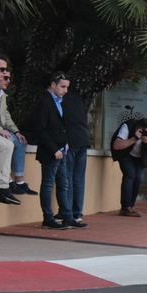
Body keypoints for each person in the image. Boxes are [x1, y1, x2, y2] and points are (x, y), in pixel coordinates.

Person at [34, 71, 86, 229]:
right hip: (51, 152)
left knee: (64, 184)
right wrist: (53, 149)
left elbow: (61, 126)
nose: (65, 90)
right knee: (48, 184)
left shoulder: (58, 102)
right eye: (62, 87)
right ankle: (48, 218)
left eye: (67, 87)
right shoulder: (45, 101)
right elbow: (40, 129)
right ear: (53, 85)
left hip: (62, 149)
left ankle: (67, 216)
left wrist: (65, 143)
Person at [54, 88, 91, 225]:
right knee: (78, 179)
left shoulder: (59, 99)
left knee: (66, 177)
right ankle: (77, 213)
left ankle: (66, 212)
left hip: (70, 141)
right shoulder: (77, 97)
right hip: (83, 138)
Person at [111, 117, 147, 217]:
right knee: (130, 176)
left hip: (140, 157)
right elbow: (116, 145)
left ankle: (130, 206)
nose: (146, 133)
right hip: (125, 154)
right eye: (143, 131)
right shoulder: (128, 126)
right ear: (137, 128)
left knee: (138, 179)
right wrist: (134, 138)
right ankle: (125, 207)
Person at [0, 73, 38, 196]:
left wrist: (16, 131)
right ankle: (8, 180)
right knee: (7, 143)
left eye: (10, 78)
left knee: (20, 142)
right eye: (5, 78)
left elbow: (6, 115)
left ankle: (19, 180)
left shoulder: (1, 94)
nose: (8, 81)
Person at [0, 52, 20, 204]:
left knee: (9, 144)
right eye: (1, 69)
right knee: (4, 144)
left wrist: (15, 130)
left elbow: (4, 115)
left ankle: (3, 186)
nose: (5, 73)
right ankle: (2, 185)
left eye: (6, 70)